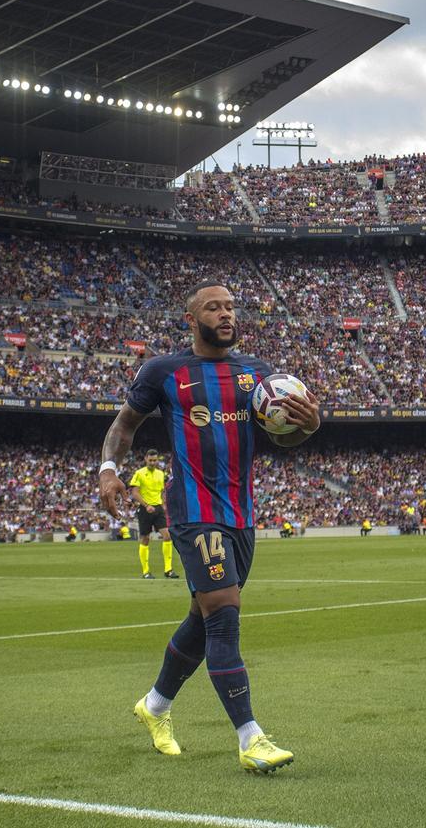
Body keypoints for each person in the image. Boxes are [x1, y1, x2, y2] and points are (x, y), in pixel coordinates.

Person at [99, 281, 320, 773]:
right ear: (191, 318)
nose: (225, 314)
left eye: (230, 307)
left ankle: (154, 706)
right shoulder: (164, 371)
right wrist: (109, 471)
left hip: (241, 515)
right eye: (213, 307)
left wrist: (309, 424)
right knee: (224, 614)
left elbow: (285, 439)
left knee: (204, 620)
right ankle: (251, 736)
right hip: (193, 510)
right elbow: (124, 426)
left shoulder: (259, 376)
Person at [127, 450, 175, 579]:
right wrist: (146, 505)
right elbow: (135, 493)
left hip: (158, 508)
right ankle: (146, 571)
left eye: (155, 460)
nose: (153, 463)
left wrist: (163, 504)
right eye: (151, 460)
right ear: (145, 459)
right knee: (145, 539)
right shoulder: (139, 473)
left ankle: (168, 569)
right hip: (144, 509)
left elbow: (162, 491)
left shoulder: (160, 474)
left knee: (167, 535)